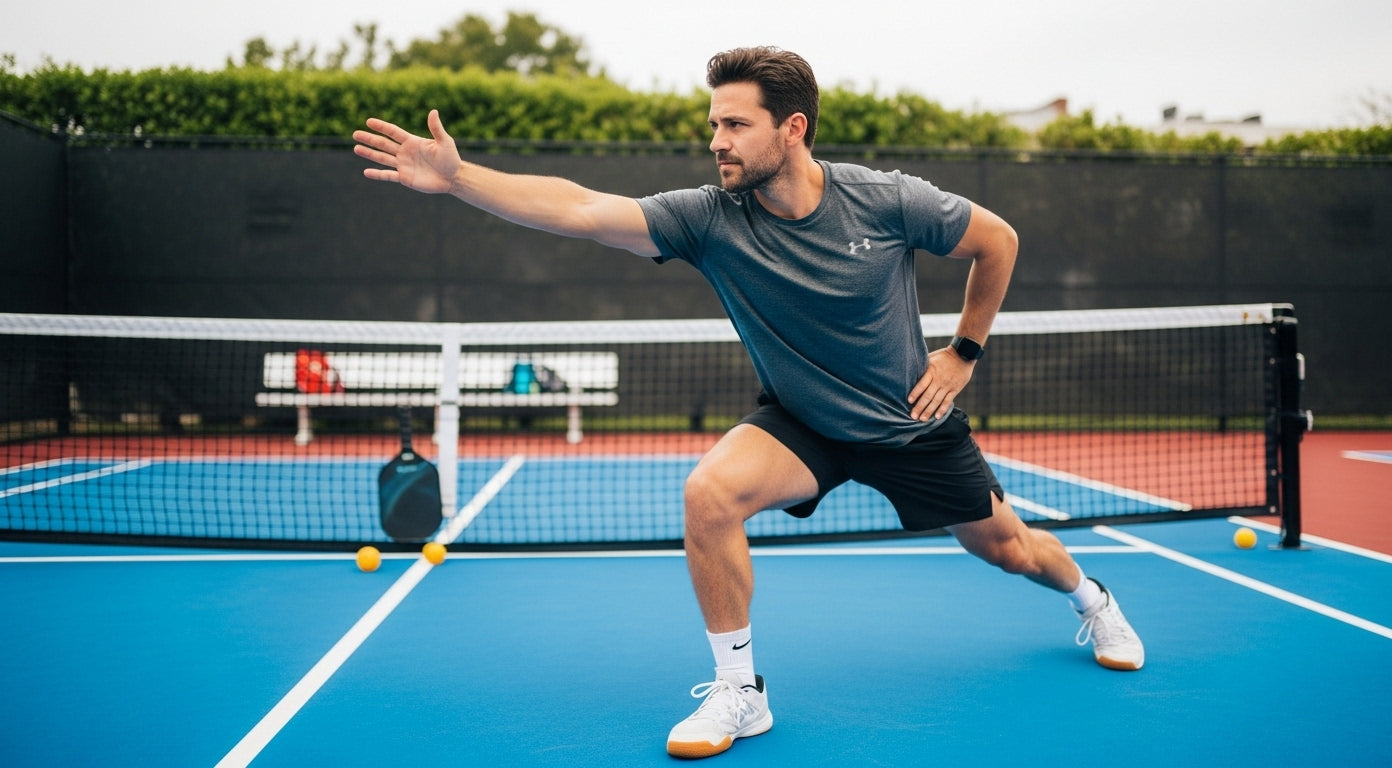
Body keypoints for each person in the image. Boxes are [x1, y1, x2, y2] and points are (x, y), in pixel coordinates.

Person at [353, 45, 1144, 760]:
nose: (716, 141)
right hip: (801, 422)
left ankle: (1092, 598)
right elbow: (580, 208)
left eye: (734, 124)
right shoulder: (708, 219)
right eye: (713, 124)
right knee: (710, 493)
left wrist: (963, 351)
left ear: (791, 127)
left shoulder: (888, 201)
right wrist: (458, 178)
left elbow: (997, 241)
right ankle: (741, 693)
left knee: (1010, 548)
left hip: (908, 424)